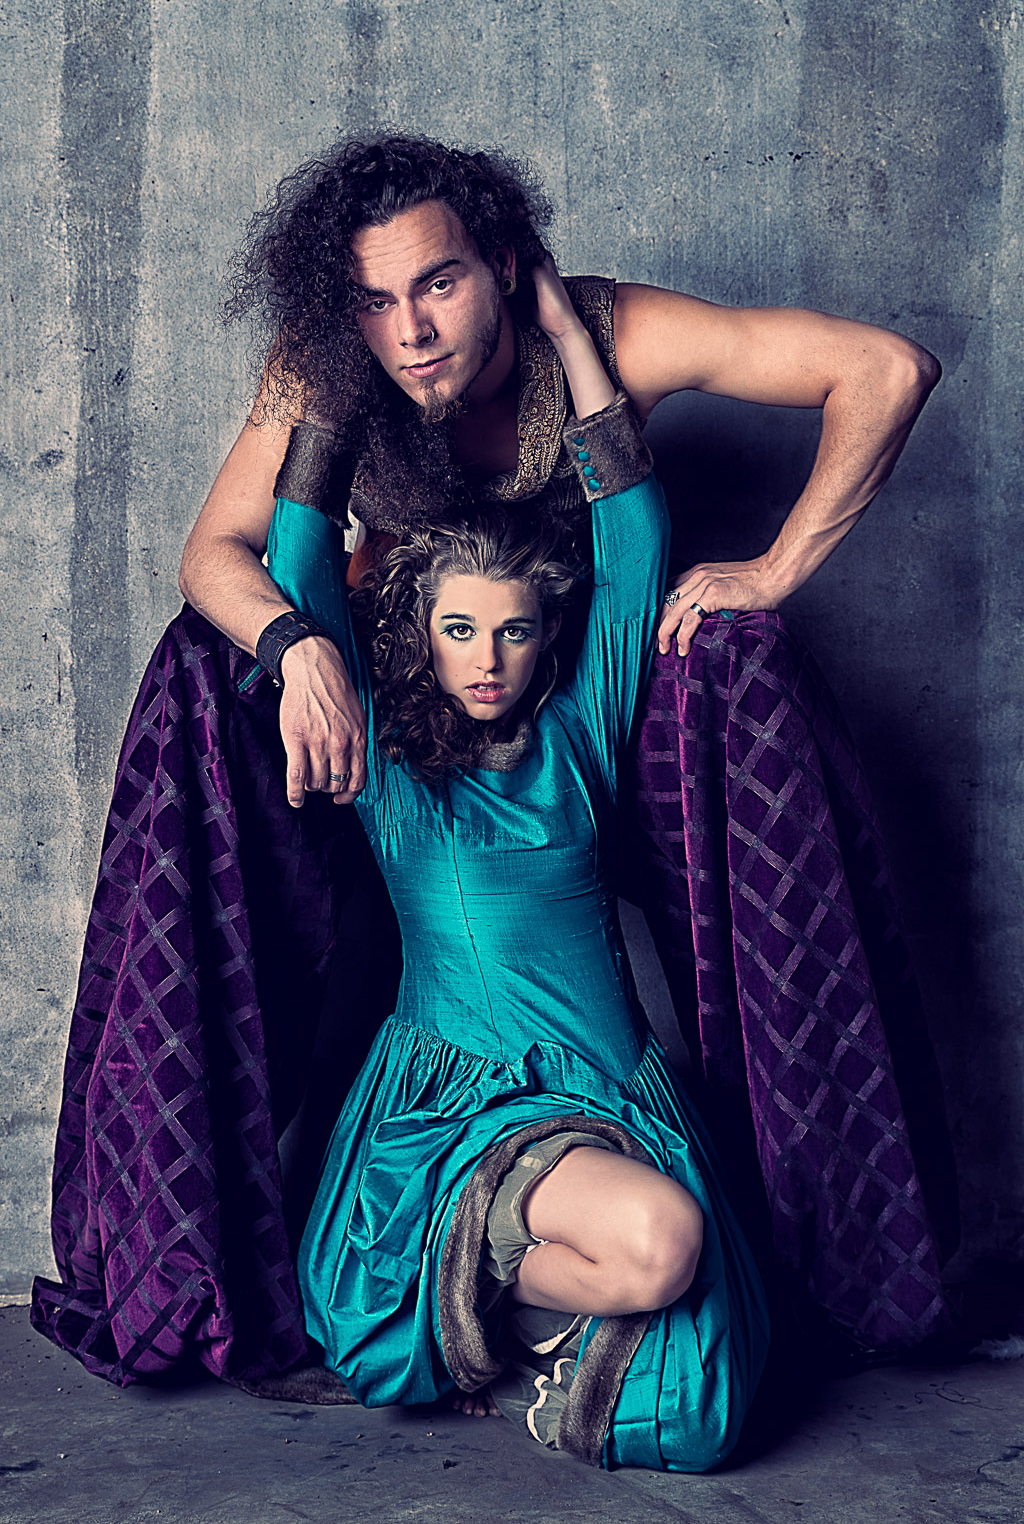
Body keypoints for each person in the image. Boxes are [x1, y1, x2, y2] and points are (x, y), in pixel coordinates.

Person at [32, 133, 957, 1396]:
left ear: (506, 266)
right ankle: (235, 1248)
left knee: (701, 1373)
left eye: (439, 284)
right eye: (373, 300)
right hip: (402, 751)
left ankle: (810, 1231)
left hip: (588, 734)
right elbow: (228, 556)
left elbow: (879, 373)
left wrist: (770, 567)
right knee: (206, 658)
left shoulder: (610, 337)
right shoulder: (333, 364)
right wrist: (304, 648)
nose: (409, 331)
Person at [278, 258, 769, 1469]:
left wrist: (563, 328)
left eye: (511, 629)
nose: (486, 657)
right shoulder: (389, 765)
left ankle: (496, 1320)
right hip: (453, 1107)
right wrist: (335, 378)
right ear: (421, 635)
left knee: (700, 1412)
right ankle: (461, 1271)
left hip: (609, 1091)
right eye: (458, 629)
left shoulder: (580, 736)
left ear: (549, 635)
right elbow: (300, 561)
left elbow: (634, 531)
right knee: (659, 1245)